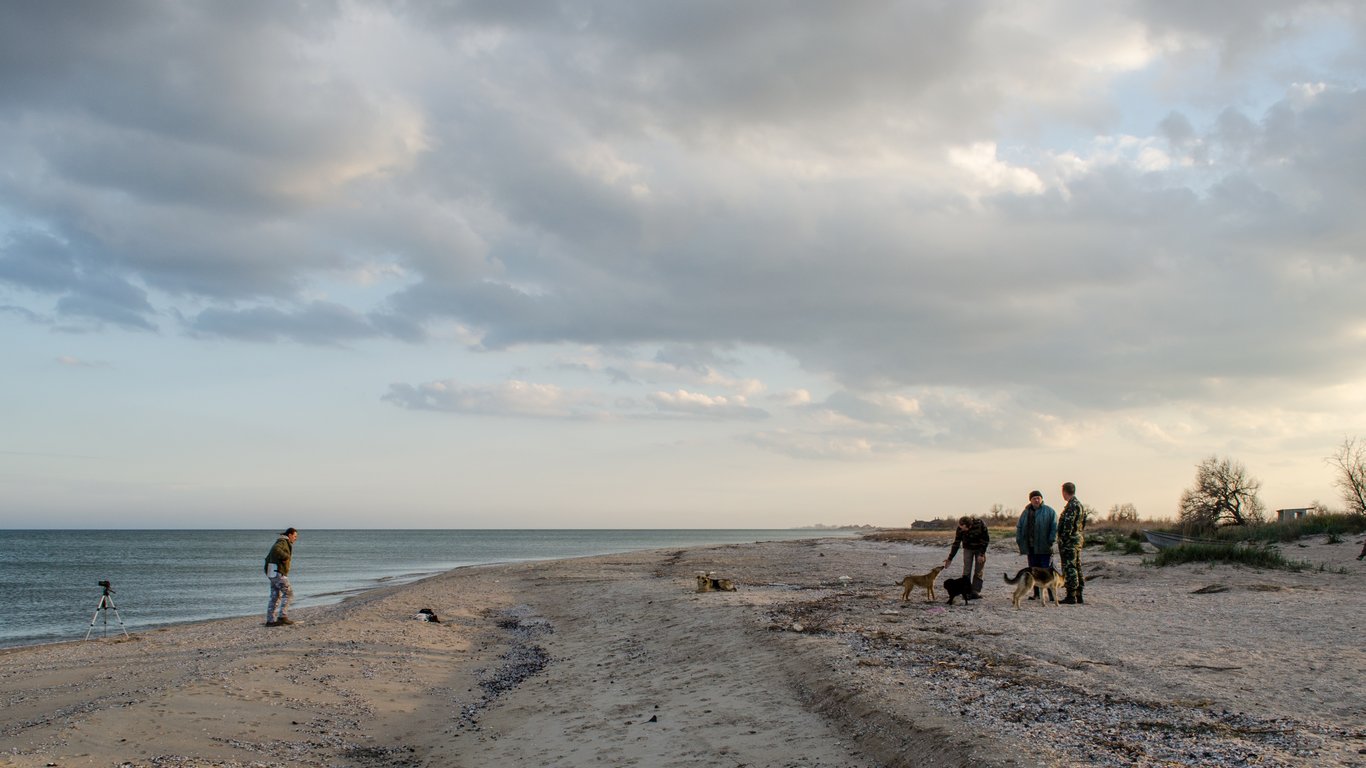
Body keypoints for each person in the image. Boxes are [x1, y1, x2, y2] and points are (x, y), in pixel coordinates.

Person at [1015, 490, 1057, 600]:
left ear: (1042, 499)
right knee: (1033, 571)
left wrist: (1051, 540)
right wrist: (1019, 540)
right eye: (1034, 498)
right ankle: (1037, 594)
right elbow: (1019, 527)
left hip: (1044, 547)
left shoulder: (1049, 511)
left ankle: (1051, 595)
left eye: (1038, 497)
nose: (1036, 500)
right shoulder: (1025, 512)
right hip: (1030, 547)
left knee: (1046, 571)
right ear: (1030, 500)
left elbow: (1054, 527)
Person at [943, 515, 990, 598]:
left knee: (979, 570)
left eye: (963, 527)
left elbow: (986, 539)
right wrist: (950, 558)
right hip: (968, 549)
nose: (961, 529)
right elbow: (956, 544)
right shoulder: (960, 528)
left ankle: (975, 592)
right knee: (966, 571)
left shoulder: (980, 524)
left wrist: (982, 554)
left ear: (969, 526)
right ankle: (965, 591)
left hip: (980, 548)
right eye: (960, 527)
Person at [1057, 482, 1087, 604]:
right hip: (1077, 539)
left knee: (1070, 567)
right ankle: (1079, 594)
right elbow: (1083, 523)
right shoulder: (1079, 505)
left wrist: (1063, 538)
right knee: (1077, 566)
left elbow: (1067, 525)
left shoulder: (1071, 506)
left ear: (1064, 492)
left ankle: (1071, 595)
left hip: (1070, 541)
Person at [264, 527, 298, 627]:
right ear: (290, 535)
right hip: (278, 572)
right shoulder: (283, 542)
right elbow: (276, 550)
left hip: (272, 572)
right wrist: (286, 557)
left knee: (275, 596)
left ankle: (270, 621)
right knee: (289, 593)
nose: (295, 539)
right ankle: (282, 617)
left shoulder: (282, 541)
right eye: (295, 536)